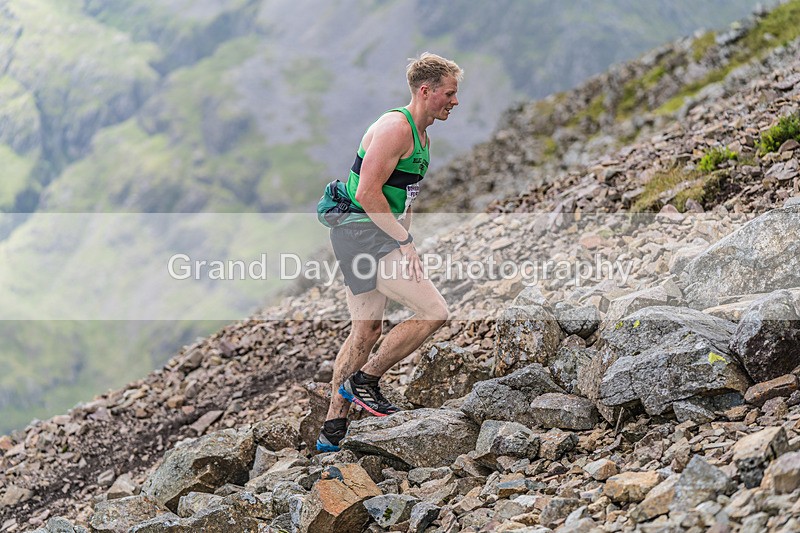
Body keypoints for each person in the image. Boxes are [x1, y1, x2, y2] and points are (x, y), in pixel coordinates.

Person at [316, 53, 463, 452]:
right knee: (435, 311)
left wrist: (406, 237)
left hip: (372, 232)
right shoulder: (396, 128)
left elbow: (404, 196)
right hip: (362, 232)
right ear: (425, 90)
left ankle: (332, 429)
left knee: (366, 329)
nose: (454, 101)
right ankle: (365, 380)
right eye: (449, 94)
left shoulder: (423, 135)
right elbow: (366, 193)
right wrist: (403, 242)